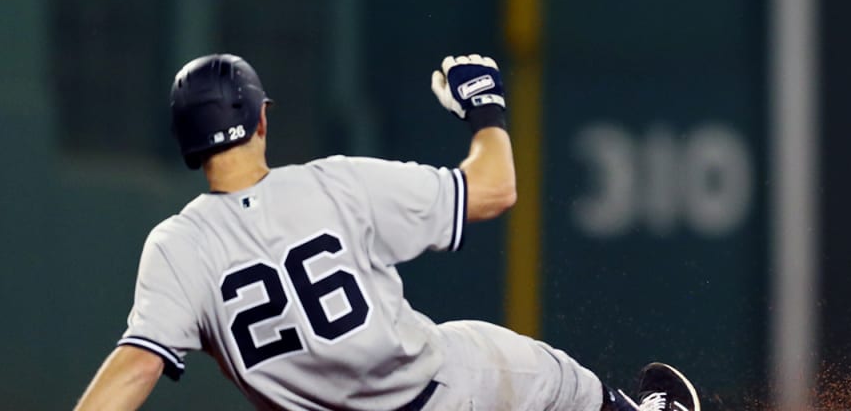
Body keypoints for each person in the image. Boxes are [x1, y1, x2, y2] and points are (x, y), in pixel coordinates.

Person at [74, 52, 700, 411]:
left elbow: (135, 367)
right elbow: (494, 189)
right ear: (262, 118)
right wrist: (485, 108)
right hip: (441, 397)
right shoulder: (330, 184)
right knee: (546, 377)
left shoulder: (176, 247)